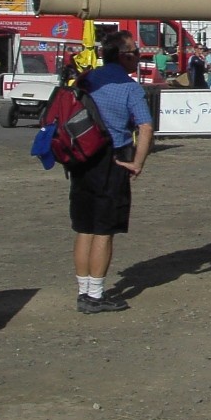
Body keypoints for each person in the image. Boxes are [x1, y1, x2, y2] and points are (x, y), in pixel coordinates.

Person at [71, 29, 153, 314]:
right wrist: (138, 162)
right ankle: (95, 295)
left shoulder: (88, 79)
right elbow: (145, 126)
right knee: (104, 230)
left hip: (81, 159)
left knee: (84, 228)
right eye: (135, 53)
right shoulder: (129, 87)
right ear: (122, 56)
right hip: (112, 159)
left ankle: (83, 290)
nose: (138, 59)